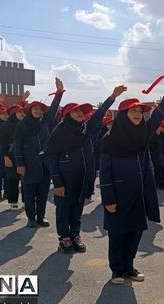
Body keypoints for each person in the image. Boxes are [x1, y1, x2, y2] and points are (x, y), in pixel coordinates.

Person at [99, 68, 164, 284]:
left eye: (140, 112)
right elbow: (105, 174)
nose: (137, 114)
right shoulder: (110, 140)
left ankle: (129, 266)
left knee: (135, 231)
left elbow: (159, 115)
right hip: (118, 195)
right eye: (133, 111)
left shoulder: (143, 134)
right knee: (117, 234)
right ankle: (116, 269)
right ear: (124, 115)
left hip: (139, 193)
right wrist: (109, 199)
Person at [44, 84, 126, 253]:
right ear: (67, 115)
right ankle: (64, 237)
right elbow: (50, 156)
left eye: (82, 111)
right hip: (65, 180)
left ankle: (75, 235)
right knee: (64, 209)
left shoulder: (86, 130)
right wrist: (57, 182)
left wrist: (112, 96)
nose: (81, 113)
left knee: (77, 209)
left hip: (82, 179)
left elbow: (100, 114)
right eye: (76, 111)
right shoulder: (60, 132)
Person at [14, 78, 64, 228]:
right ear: (30, 111)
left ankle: (41, 217)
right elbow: (17, 145)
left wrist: (59, 93)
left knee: (42, 194)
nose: (38, 111)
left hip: (45, 165)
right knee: (29, 194)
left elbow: (54, 109)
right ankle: (31, 217)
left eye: (40, 109)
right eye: (35, 109)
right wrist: (20, 164)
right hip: (28, 165)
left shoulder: (46, 122)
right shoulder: (22, 125)